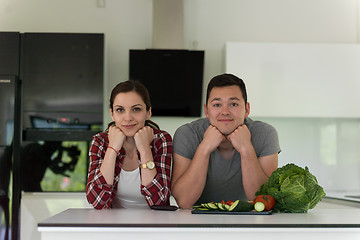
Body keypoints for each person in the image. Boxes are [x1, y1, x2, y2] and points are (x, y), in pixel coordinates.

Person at [171, 73, 280, 209]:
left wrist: (246, 149)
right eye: (217, 105)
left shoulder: (265, 133)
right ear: (206, 110)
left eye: (233, 104)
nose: (225, 111)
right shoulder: (187, 134)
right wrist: (204, 148)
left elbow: (264, 201)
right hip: (195, 219)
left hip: (248, 218)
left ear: (247, 109)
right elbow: (184, 201)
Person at [86, 80, 172, 209]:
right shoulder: (100, 141)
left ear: (148, 113)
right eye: (120, 110)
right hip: (113, 225)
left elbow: (159, 201)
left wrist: (144, 149)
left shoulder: (161, 140)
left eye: (136, 109)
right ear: (112, 114)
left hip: (154, 224)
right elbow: (97, 200)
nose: (127, 118)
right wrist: (112, 148)